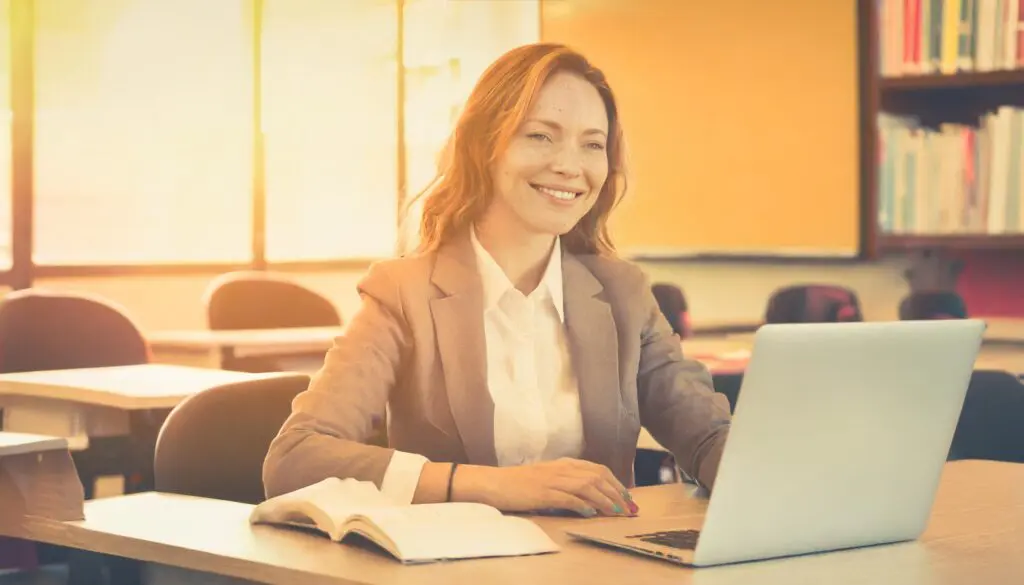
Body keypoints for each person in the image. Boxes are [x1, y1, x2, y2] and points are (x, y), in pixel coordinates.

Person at [263, 43, 731, 518]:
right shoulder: (404, 292)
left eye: (593, 144)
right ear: (485, 145)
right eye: (541, 136)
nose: (570, 165)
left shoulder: (623, 293)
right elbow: (296, 457)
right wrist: (488, 486)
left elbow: (708, 436)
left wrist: (773, 477)